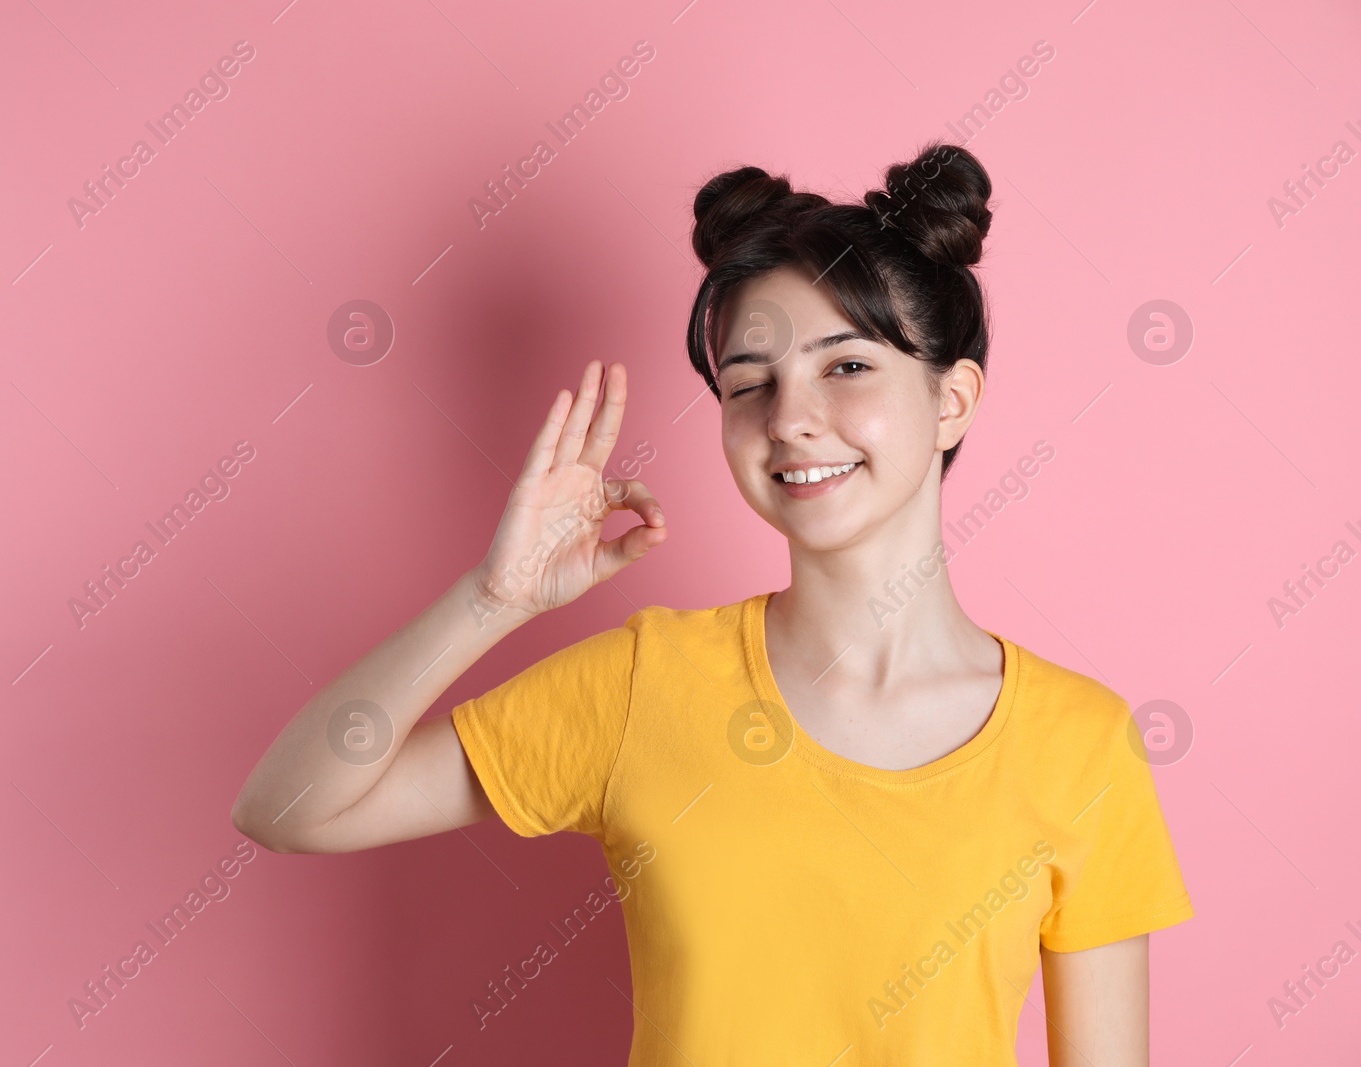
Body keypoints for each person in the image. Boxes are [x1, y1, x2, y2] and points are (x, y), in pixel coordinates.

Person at [232, 140, 1194, 1065]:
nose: (790, 419)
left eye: (847, 365)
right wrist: (493, 599)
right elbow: (289, 807)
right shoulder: (644, 683)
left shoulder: (1082, 742)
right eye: (749, 385)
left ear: (952, 400)